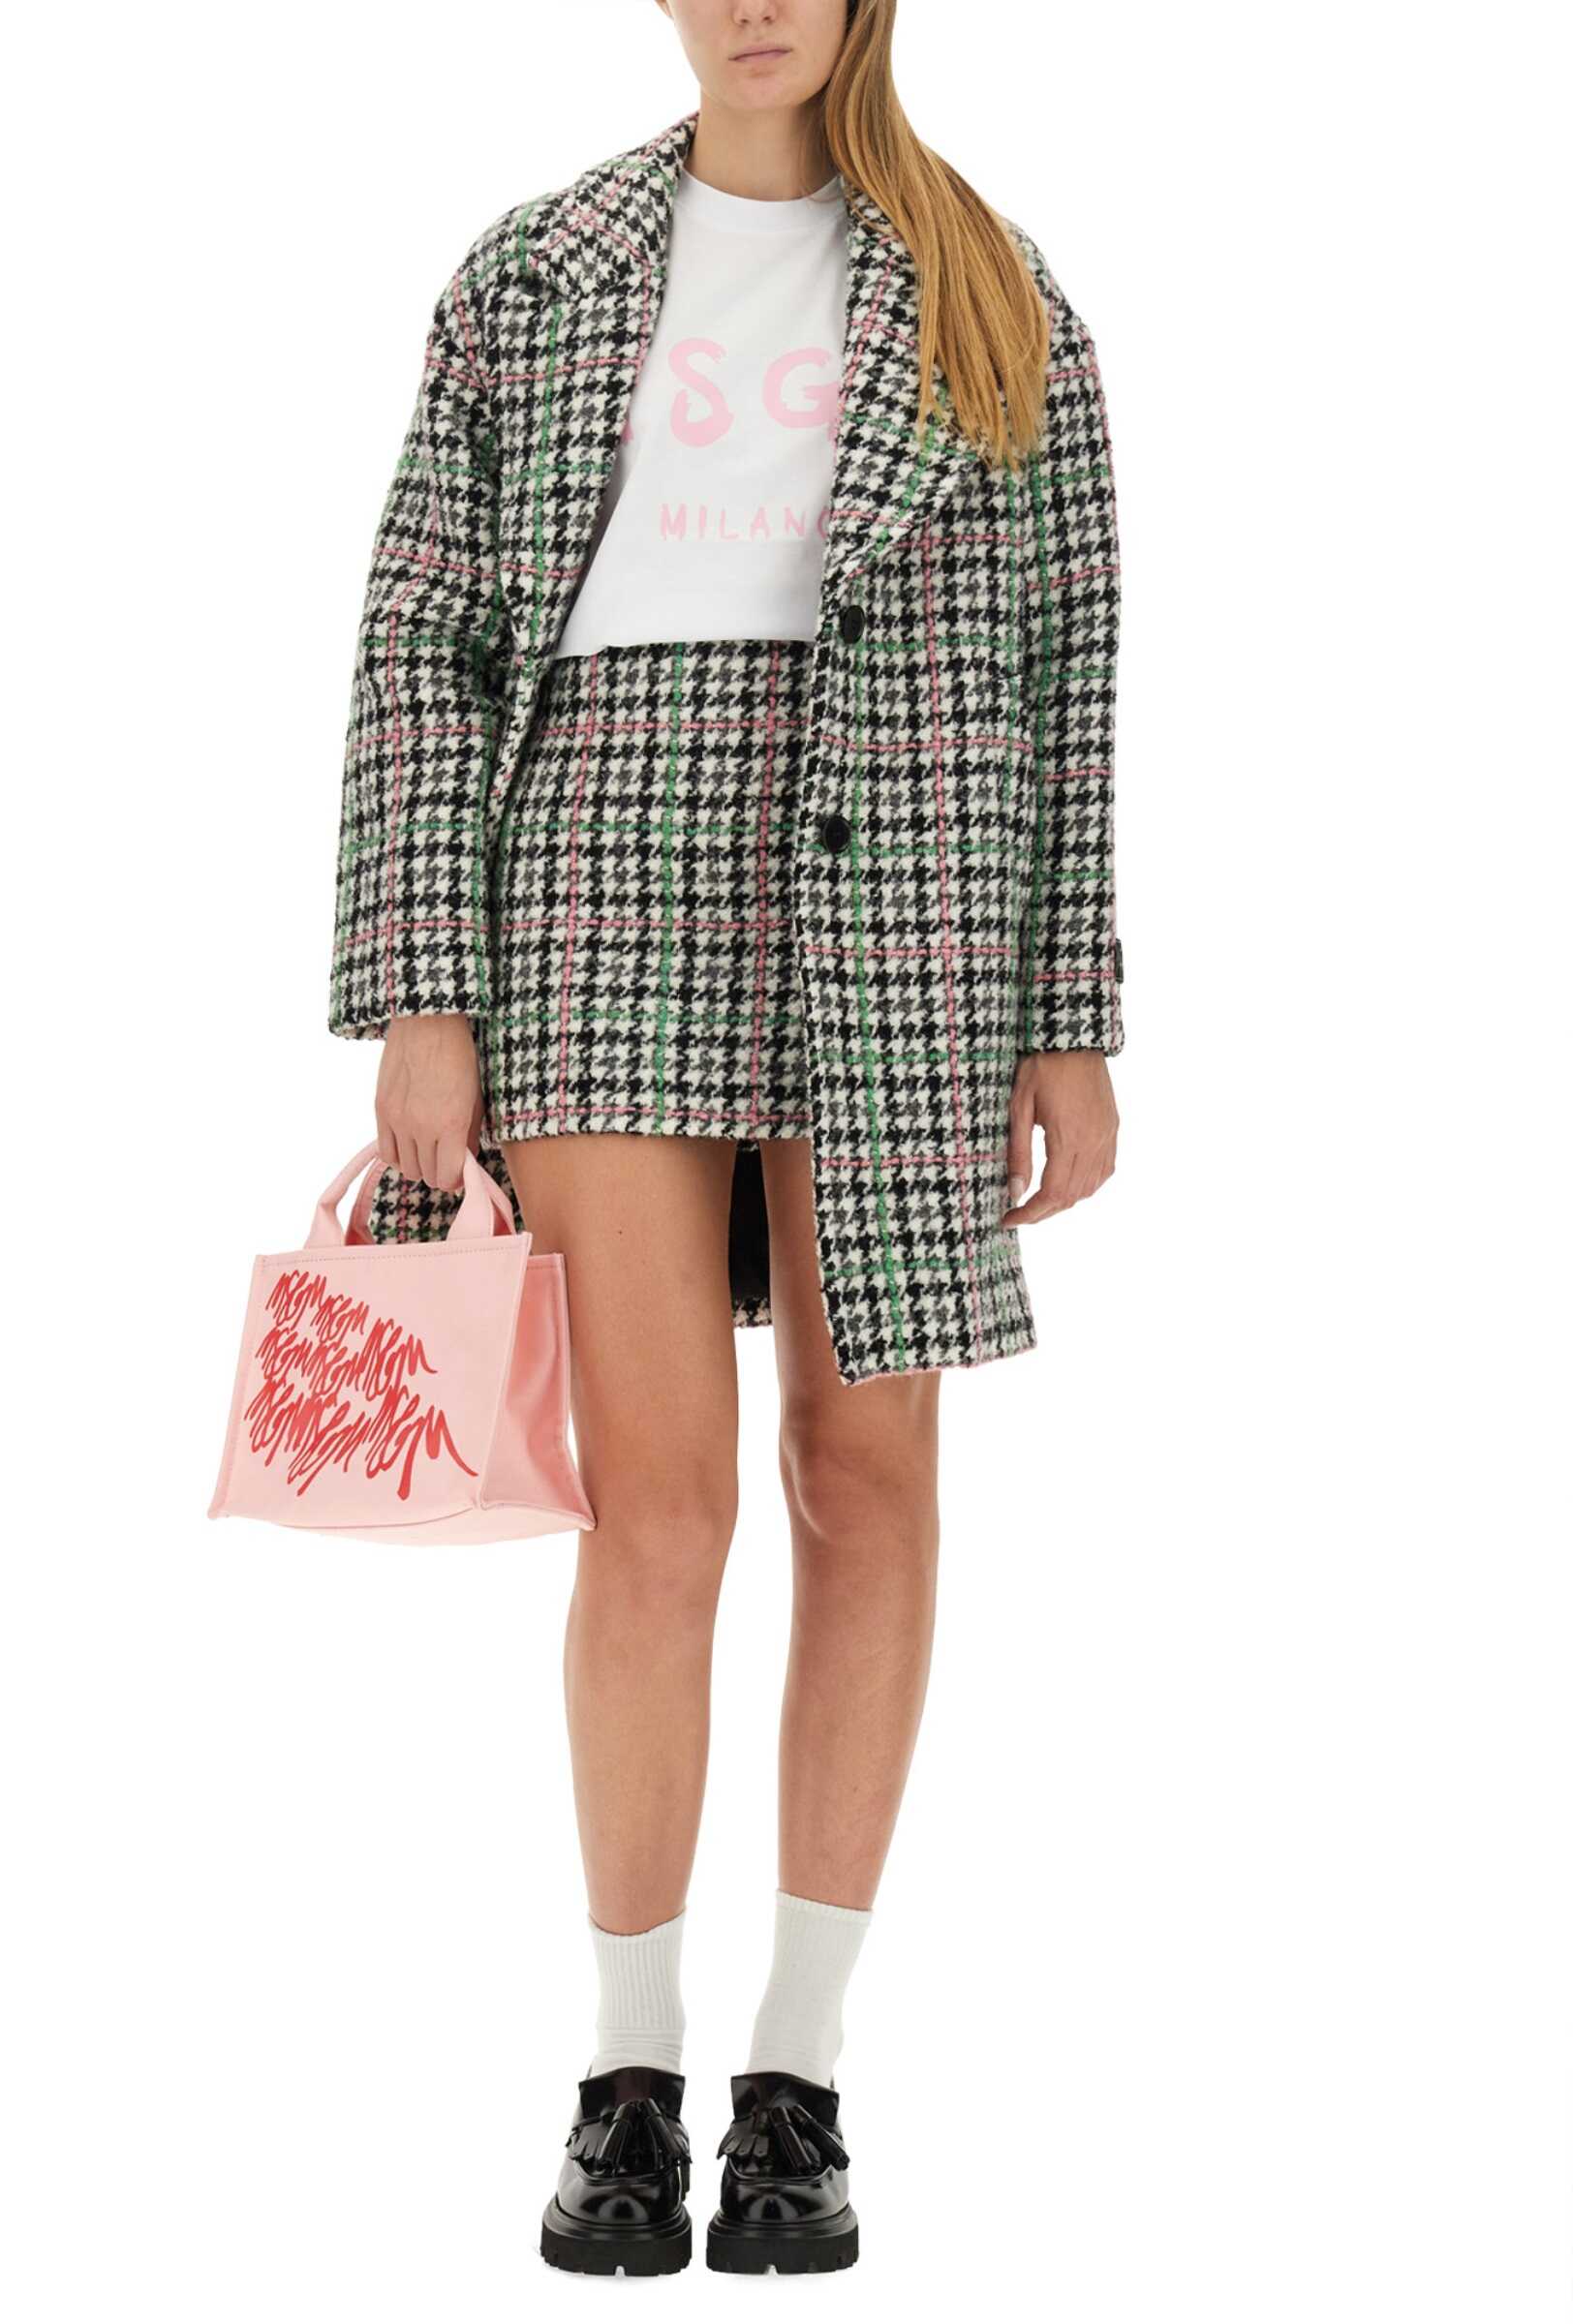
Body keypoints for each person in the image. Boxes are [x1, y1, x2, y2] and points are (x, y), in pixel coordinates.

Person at [327, 0, 1124, 2277]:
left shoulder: (993, 285)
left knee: (867, 1481)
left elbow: (1073, 668)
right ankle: (624, 2078)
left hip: (911, 886)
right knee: (655, 1512)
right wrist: (422, 993)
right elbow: (421, 639)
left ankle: (801, 2079)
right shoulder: (535, 269)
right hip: (602, 868)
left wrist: (1068, 1012)